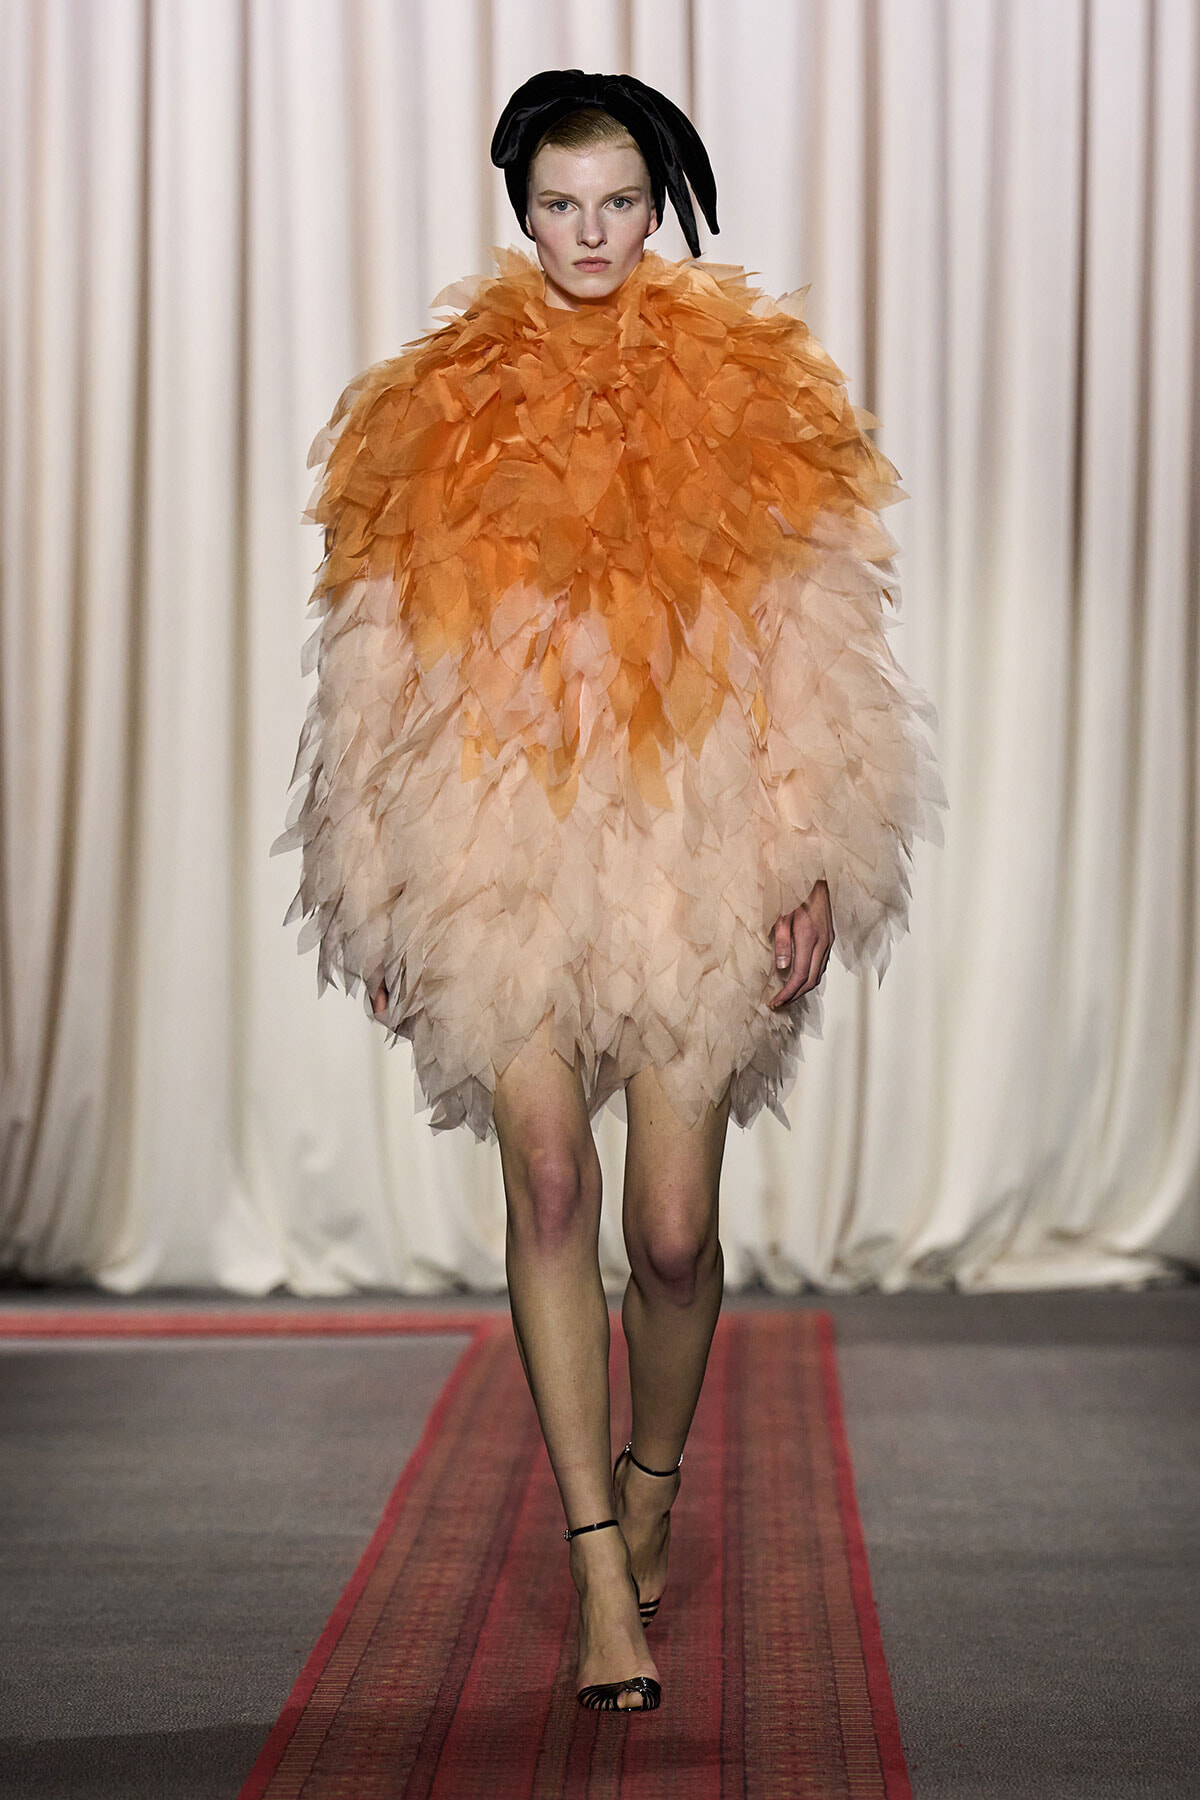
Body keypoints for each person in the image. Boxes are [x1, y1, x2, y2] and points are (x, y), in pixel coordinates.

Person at [277, 70, 944, 1713]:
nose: (591, 235)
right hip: (494, 843)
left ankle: (652, 1484)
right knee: (554, 1187)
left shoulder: (751, 390)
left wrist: (815, 854)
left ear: (663, 208)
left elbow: (816, 641)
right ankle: (597, 1571)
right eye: (562, 204)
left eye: (620, 204)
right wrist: (378, 875)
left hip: (695, 834)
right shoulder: (428, 401)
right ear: (521, 207)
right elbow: (374, 655)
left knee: (670, 1227)